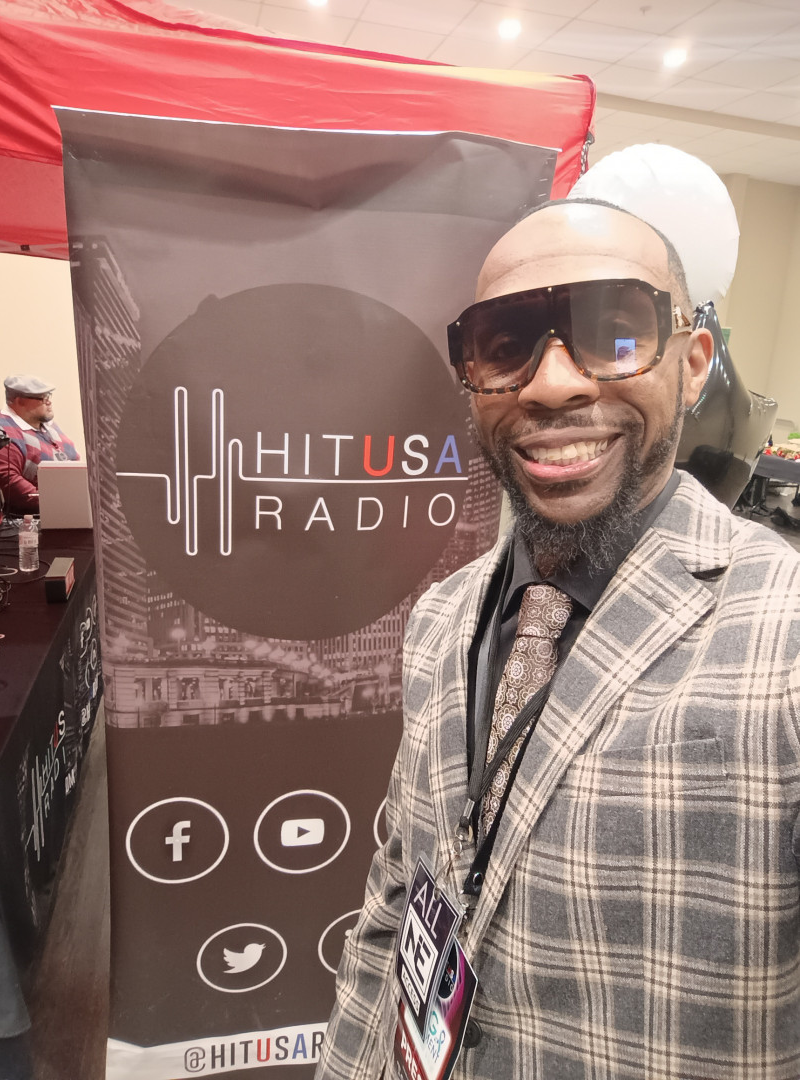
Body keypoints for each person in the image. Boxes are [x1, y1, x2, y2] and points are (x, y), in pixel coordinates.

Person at [316, 196, 800, 1079]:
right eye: (507, 345)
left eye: (613, 333)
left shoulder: (783, 634)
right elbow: (397, 893)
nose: (551, 384)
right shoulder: (441, 619)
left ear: (693, 365)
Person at [0, 374, 79, 514]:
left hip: (64, 508)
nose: (49, 402)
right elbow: (9, 482)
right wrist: (56, 503)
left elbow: (74, 462)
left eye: (48, 396)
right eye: (42, 398)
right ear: (19, 401)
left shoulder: (47, 426)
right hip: (32, 517)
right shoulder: (2, 433)